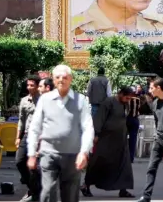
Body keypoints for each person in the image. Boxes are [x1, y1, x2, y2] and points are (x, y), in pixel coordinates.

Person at [27, 64, 94, 202]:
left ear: (71, 79)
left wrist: (84, 152)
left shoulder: (80, 100)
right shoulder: (45, 100)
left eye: (65, 77)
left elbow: (88, 128)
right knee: (47, 193)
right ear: (53, 79)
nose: (61, 80)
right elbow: (35, 127)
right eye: (58, 77)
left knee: (69, 196)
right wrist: (32, 153)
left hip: (72, 156)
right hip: (48, 154)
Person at [81, 87, 135, 198]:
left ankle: (123, 189)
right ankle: (85, 186)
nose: (127, 100)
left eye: (129, 98)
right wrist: (96, 134)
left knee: (123, 164)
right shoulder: (108, 102)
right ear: (120, 94)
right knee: (98, 162)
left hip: (121, 139)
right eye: (126, 97)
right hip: (106, 139)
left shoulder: (125, 104)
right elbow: (99, 118)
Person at [16, 75, 41, 202]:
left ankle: (35, 193)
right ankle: (32, 188)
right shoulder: (24, 101)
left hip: (38, 136)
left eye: (32, 85)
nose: (29, 87)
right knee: (19, 161)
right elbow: (21, 120)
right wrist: (18, 137)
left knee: (34, 166)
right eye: (28, 85)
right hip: (26, 135)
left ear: (37, 86)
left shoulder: (43, 101)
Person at [127, 92, 141, 163]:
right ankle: (131, 158)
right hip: (135, 119)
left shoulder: (126, 99)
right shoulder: (138, 99)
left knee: (123, 138)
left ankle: (123, 157)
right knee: (133, 139)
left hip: (127, 119)